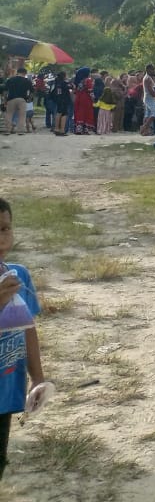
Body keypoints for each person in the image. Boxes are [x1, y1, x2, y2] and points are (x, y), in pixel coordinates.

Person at [0, 198, 46, 481]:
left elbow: (27, 328)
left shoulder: (18, 276)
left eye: (5, 228)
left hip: (5, 391)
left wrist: (38, 378)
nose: (0, 238)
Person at [2, 69, 31, 136]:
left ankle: (8, 130)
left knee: (9, 115)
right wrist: (29, 99)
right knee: (22, 116)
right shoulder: (27, 81)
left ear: (17, 73)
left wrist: (5, 100)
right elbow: (32, 91)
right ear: (25, 73)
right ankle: (20, 131)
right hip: (22, 99)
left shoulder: (10, 80)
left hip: (11, 99)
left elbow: (5, 91)